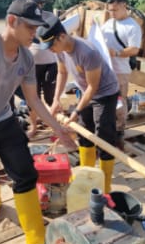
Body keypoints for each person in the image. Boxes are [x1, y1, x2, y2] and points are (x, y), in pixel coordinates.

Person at [0, 0, 74, 244]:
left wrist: (58, 129)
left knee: (25, 171)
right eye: (30, 28)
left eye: (37, 28)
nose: (35, 34)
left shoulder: (27, 58)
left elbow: (33, 99)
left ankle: (35, 235)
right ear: (12, 21)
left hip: (3, 116)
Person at [37, 13, 121, 194]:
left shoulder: (87, 52)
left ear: (62, 36)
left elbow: (93, 87)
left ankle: (105, 186)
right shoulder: (59, 51)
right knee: (84, 133)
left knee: (104, 136)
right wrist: (55, 100)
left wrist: (75, 112)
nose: (50, 49)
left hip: (105, 93)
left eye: (51, 45)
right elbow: (62, 73)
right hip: (86, 92)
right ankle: (86, 173)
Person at [101, 0, 142, 134]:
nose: (112, 13)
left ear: (124, 6)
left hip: (121, 70)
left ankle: (119, 128)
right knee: (105, 98)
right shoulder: (108, 23)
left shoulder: (133, 26)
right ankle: (107, 124)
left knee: (119, 99)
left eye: (115, 10)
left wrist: (117, 53)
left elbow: (135, 49)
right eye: (110, 10)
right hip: (106, 68)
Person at [21, 0, 58, 136]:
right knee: (32, 97)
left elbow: (59, 36)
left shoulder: (50, 17)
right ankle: (34, 127)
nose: (38, 6)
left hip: (50, 62)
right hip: (32, 64)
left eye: (39, 4)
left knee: (51, 96)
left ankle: (55, 126)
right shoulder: (23, 18)